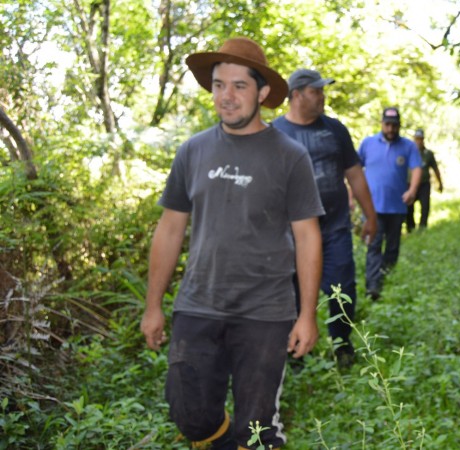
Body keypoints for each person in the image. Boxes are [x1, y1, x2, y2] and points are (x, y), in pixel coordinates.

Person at [139, 37, 324, 450]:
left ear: (261, 93)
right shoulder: (193, 151)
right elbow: (169, 229)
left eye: (239, 86)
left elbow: (308, 236)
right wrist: (153, 305)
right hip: (198, 302)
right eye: (219, 85)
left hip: (265, 310)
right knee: (190, 414)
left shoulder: (289, 156)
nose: (227, 96)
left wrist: (307, 314)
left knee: (256, 428)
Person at [272, 68, 377, 366]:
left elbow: (355, 175)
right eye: (316, 91)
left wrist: (371, 216)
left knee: (342, 288)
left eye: (322, 90)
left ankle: (342, 346)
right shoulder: (275, 133)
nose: (322, 96)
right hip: (289, 235)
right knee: (290, 294)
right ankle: (296, 353)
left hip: (334, 228)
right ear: (296, 95)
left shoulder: (335, 130)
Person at [358, 107, 422, 300]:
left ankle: (387, 277)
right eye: (387, 124)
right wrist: (352, 196)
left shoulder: (408, 146)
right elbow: (355, 169)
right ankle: (373, 287)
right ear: (381, 124)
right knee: (374, 246)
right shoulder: (368, 144)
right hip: (372, 207)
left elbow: (417, 168)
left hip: (396, 206)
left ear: (399, 126)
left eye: (394, 125)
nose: (391, 129)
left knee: (392, 247)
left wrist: (412, 190)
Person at [405, 128, 443, 232]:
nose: (419, 141)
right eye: (417, 139)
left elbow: (435, 169)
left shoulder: (428, 154)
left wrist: (440, 183)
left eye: (420, 139)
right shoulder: (407, 153)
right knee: (409, 207)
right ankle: (410, 229)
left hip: (424, 184)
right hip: (409, 184)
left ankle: (422, 228)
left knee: (425, 207)